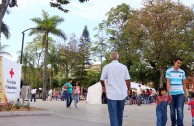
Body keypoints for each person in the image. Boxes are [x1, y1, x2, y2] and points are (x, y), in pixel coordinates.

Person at [100, 52, 131, 126]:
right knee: (120, 113)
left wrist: (103, 87)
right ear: (118, 58)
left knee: (113, 114)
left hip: (111, 94)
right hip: (122, 93)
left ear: (110, 58)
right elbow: (128, 80)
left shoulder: (107, 67)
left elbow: (101, 79)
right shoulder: (123, 67)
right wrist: (129, 89)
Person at [166, 57, 187, 126]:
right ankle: (173, 123)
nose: (179, 64)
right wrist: (169, 93)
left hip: (180, 93)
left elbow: (184, 83)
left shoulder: (182, 72)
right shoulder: (169, 71)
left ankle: (180, 124)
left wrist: (185, 94)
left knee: (180, 110)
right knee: (172, 111)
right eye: (178, 63)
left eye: (180, 63)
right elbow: (168, 82)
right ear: (174, 62)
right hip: (171, 93)